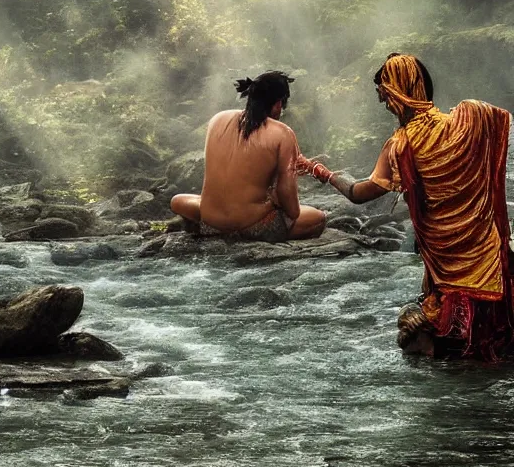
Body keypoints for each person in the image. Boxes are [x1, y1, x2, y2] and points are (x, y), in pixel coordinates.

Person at [300, 53, 513, 359]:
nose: (385, 104)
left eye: (385, 95)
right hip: (486, 260)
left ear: (399, 92)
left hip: (445, 268)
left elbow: (358, 193)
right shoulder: (468, 121)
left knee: (416, 345)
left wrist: (323, 172)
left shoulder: (400, 146)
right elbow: (499, 128)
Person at [170, 71, 326, 242]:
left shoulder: (217, 119)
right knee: (318, 218)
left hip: (210, 222)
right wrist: (274, 200)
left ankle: (215, 228)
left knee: (178, 200)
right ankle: (242, 231)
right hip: (251, 226)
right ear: (278, 104)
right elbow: (292, 207)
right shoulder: (283, 133)